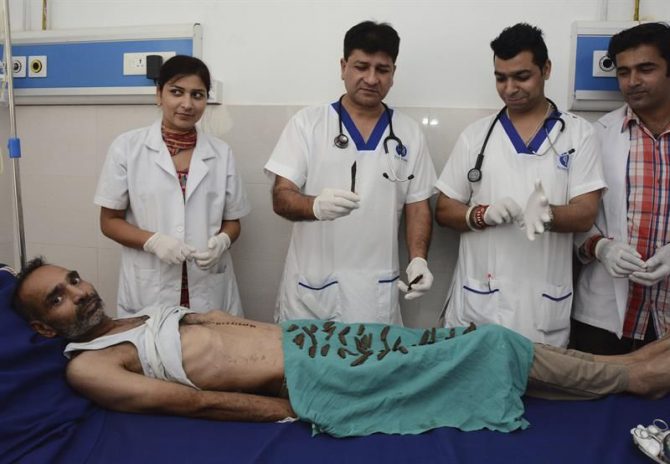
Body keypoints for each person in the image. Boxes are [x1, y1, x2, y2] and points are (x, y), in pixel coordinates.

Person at [12, 257, 670, 438]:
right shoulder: (91, 366)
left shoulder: (133, 318)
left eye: (73, 280)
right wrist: (287, 413)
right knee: (487, 343)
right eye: (57, 300)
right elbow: (191, 404)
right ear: (44, 330)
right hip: (315, 379)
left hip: (323, 343)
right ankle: (631, 378)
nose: (78, 293)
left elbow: (222, 324)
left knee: (465, 344)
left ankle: (619, 366)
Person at [435, 23, 606, 347]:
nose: (510, 88)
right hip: (479, 303)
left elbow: (586, 213)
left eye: (521, 76)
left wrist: (547, 215)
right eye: (501, 78)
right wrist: (479, 215)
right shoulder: (476, 136)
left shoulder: (579, 134)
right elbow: (444, 210)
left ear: (546, 69)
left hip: (543, 307)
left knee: (538, 378)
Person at [264, 21, 437, 325]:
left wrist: (419, 259)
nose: (371, 78)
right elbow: (281, 197)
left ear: (393, 73)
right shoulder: (307, 124)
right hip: (312, 288)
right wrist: (314, 206)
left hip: (375, 291)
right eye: (361, 66)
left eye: (382, 69)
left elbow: (418, 206)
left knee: (375, 356)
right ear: (343, 67)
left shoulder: (409, 133)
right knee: (306, 356)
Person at [94, 55, 250, 317]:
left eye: (197, 95)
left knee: (211, 341)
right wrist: (152, 242)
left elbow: (233, 222)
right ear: (159, 94)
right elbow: (109, 221)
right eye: (176, 92)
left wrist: (223, 241)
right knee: (152, 342)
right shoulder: (127, 148)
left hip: (207, 286)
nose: (187, 104)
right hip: (150, 287)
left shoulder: (222, 153)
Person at [572, 23, 670, 354]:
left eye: (646, 69)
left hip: (666, 314)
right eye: (623, 72)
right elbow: (577, 216)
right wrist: (600, 247)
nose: (632, 81)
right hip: (604, 319)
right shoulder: (595, 135)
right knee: (599, 387)